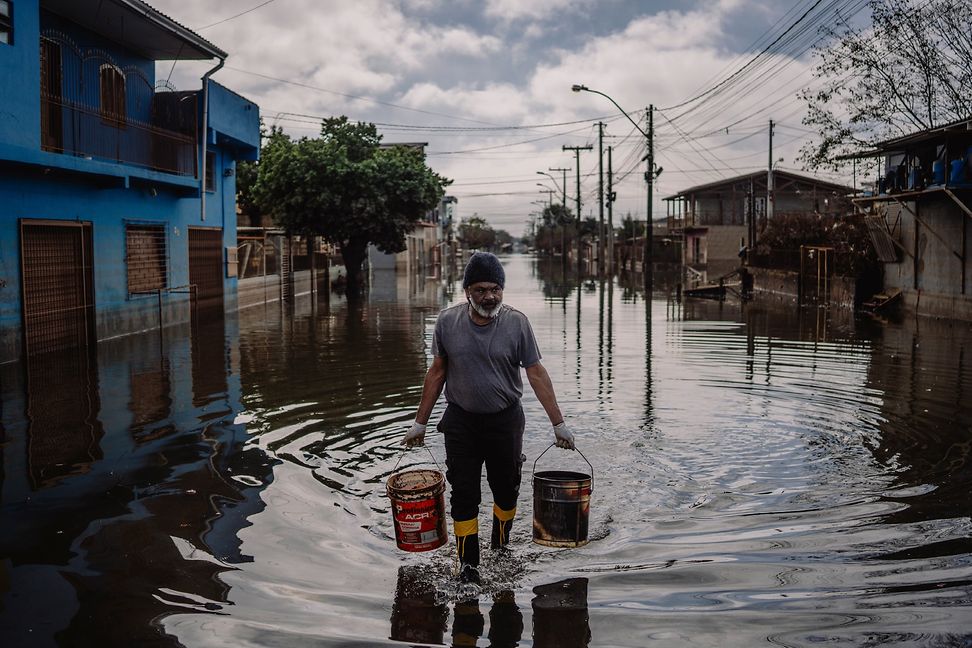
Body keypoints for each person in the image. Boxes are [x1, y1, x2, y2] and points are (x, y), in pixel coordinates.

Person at [403, 251, 574, 584]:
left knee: (506, 490)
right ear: (467, 290)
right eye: (481, 289)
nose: (489, 296)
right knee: (463, 494)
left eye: (495, 288)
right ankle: (468, 566)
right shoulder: (447, 322)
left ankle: (500, 544)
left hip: (505, 421)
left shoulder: (517, 323)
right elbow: (437, 372)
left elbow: (536, 373)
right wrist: (419, 423)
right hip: (461, 422)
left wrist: (559, 424)